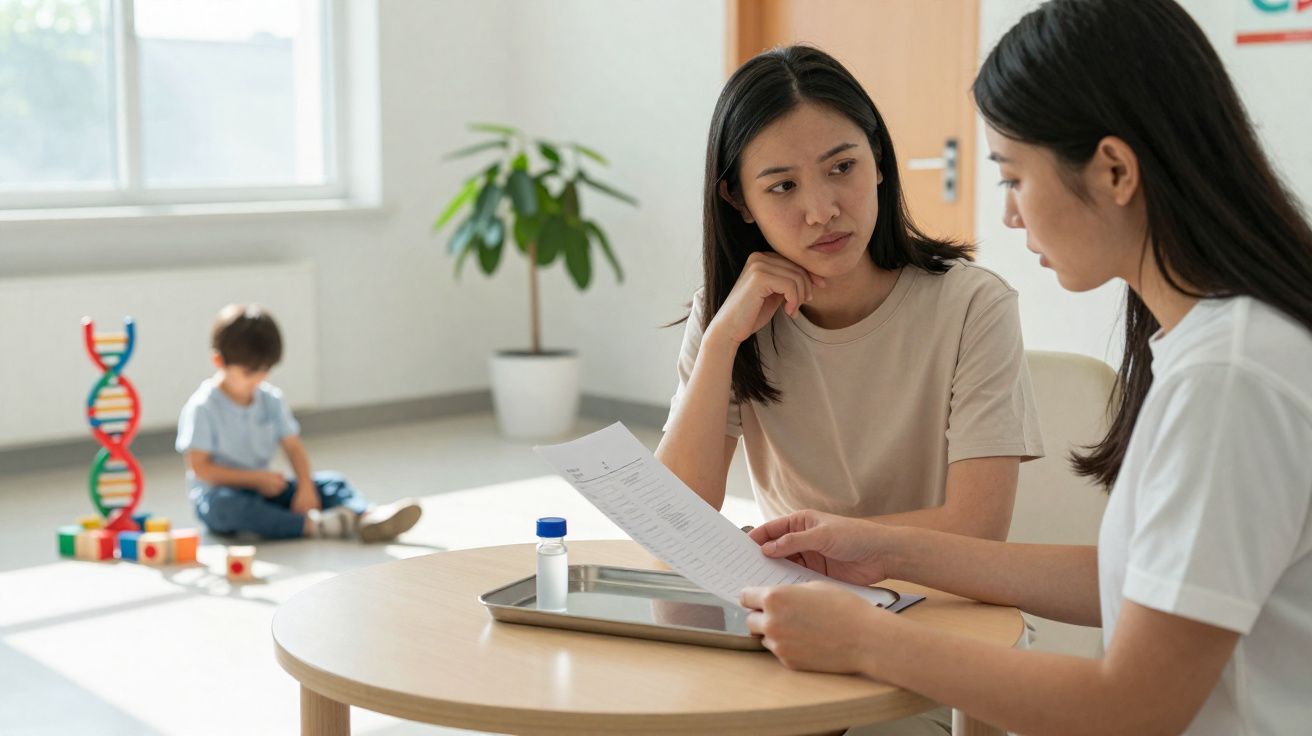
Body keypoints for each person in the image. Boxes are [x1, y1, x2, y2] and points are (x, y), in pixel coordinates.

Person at [741, 1, 1312, 733]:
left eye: (1012, 177)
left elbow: (1133, 707)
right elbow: (1142, 581)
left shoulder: (1229, 381)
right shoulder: (1230, 344)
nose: (1009, 216)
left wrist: (864, 640)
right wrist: (880, 548)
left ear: (1113, 169)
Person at [656, 46, 1044, 545]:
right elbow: (671, 519)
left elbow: (977, 528)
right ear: (739, 201)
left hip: (938, 600)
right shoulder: (730, 313)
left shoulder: (972, 304)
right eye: (782, 186)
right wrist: (720, 342)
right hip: (797, 602)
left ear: (878, 160)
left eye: (841, 168)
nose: (821, 211)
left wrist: (804, 541)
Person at [177, 304, 422, 542]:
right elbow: (201, 469)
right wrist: (254, 479)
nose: (259, 379)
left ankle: (367, 516)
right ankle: (314, 526)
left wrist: (305, 485)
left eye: (265, 370)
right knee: (225, 506)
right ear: (219, 361)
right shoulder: (203, 407)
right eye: (249, 373)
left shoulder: (270, 399)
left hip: (264, 487)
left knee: (331, 482)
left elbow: (293, 447)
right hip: (221, 494)